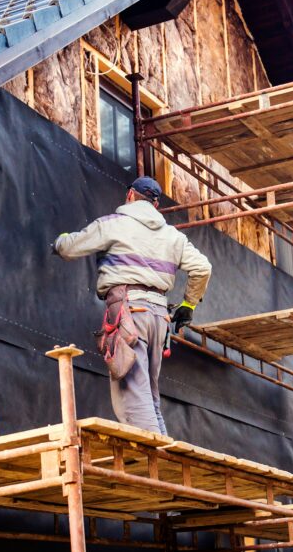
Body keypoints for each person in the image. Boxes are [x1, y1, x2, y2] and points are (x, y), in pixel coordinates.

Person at [53, 176, 212, 435]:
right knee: (149, 397)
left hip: (129, 314)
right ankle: (165, 459)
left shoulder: (114, 225)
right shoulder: (173, 236)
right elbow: (203, 268)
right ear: (156, 204)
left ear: (130, 195)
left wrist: (59, 241)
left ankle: (157, 466)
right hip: (159, 318)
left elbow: (69, 248)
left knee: (133, 401)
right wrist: (188, 305)